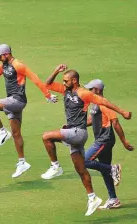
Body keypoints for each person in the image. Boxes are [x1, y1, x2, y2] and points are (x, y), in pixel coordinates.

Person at [42, 64, 132, 216]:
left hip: (81, 134)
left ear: (74, 80)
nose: (63, 83)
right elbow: (47, 84)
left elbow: (105, 103)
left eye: (66, 81)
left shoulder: (84, 94)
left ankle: (56, 166)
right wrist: (57, 70)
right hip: (75, 130)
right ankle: (94, 197)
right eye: (63, 81)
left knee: (46, 136)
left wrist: (122, 112)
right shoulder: (66, 91)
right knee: (81, 168)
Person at [0, 44, 58, 178]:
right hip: (12, 100)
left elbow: (34, 78)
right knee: (16, 134)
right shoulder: (5, 65)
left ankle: (2, 132)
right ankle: (22, 162)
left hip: (17, 100)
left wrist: (48, 95)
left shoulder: (18, 65)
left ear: (6, 54)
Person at [83, 79, 134, 210]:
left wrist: (124, 141)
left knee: (84, 161)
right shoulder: (95, 103)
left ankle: (113, 169)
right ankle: (113, 199)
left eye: (91, 89)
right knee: (105, 170)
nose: (89, 91)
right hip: (101, 140)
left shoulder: (104, 104)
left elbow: (115, 122)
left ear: (98, 90)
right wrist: (74, 125)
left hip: (104, 140)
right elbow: (92, 119)